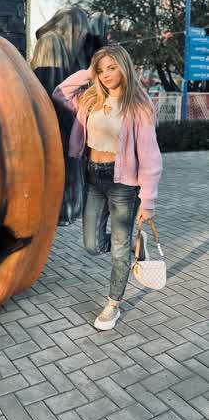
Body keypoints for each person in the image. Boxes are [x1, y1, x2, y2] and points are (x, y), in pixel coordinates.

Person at [52, 45, 162, 330]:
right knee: (91, 244)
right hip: (93, 178)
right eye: (101, 70)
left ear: (124, 67)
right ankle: (133, 246)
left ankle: (113, 304)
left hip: (124, 184)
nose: (106, 75)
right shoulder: (90, 99)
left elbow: (150, 156)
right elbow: (60, 93)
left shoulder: (138, 106)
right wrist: (88, 73)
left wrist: (148, 201)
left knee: (117, 251)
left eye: (112, 68)